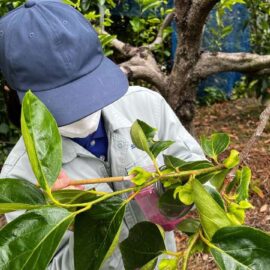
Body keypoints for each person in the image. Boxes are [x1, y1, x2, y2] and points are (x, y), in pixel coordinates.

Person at [0, 0, 205, 269]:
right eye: (60, 101)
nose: (82, 112)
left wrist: (172, 194)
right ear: (10, 92)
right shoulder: (22, 177)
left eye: (86, 88)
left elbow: (198, 176)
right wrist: (72, 220)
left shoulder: (146, 107)